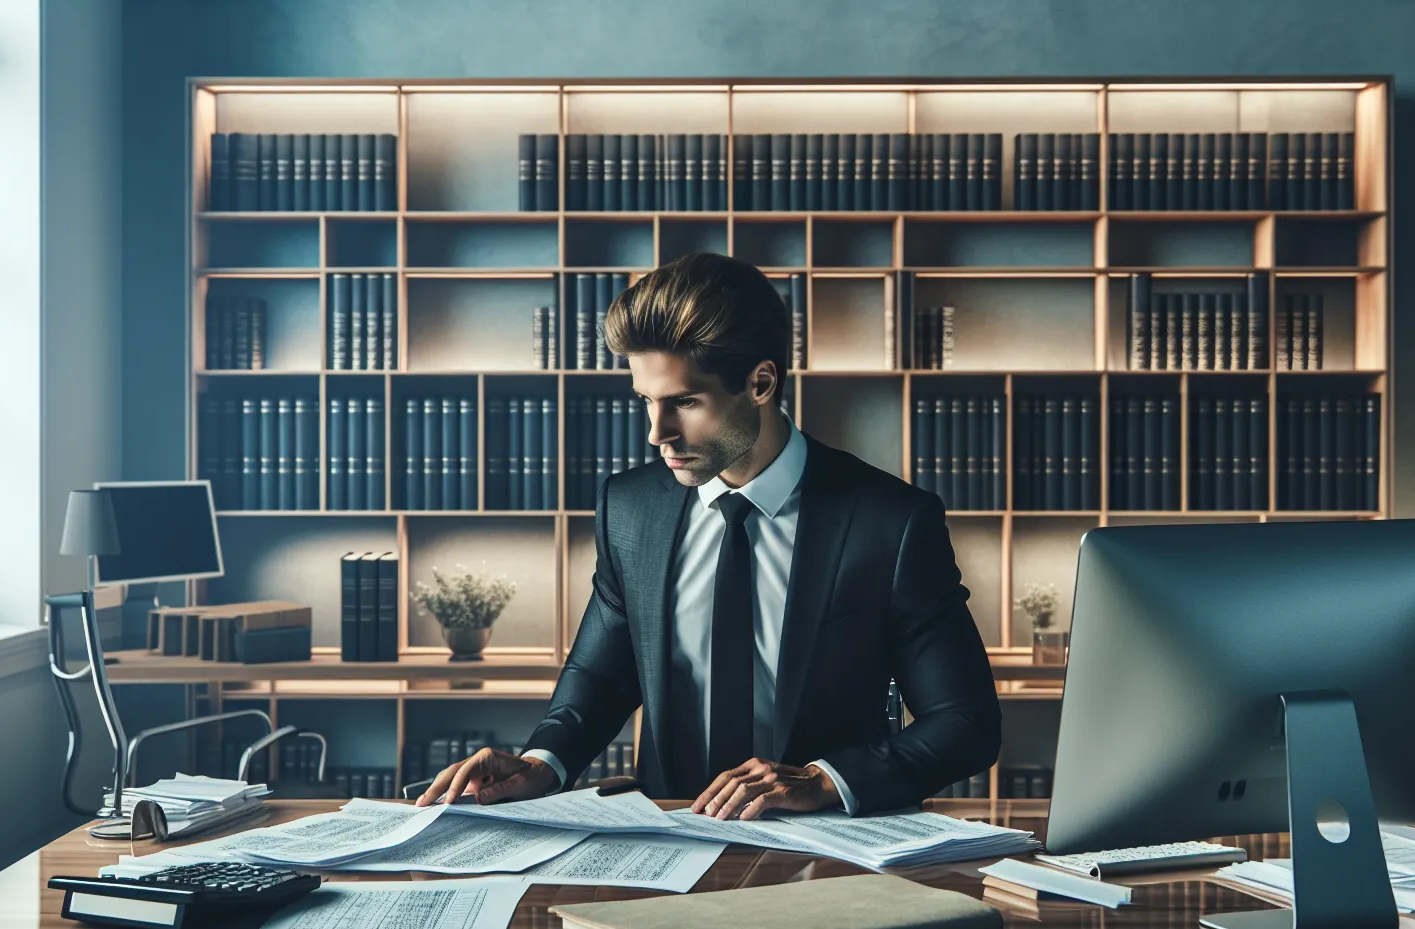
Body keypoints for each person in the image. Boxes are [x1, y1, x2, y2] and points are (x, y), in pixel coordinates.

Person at [417, 252, 999, 820]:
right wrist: (543, 761)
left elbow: (966, 724)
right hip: (671, 847)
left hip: (828, 851)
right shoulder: (631, 508)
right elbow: (601, 674)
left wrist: (825, 780)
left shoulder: (890, 521)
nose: (657, 433)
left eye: (684, 403)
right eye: (646, 401)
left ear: (761, 382)